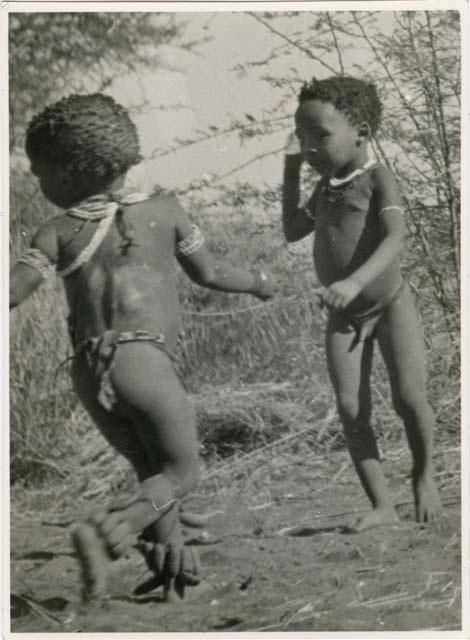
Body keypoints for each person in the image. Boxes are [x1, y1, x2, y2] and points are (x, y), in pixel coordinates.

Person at [10, 93, 277, 603]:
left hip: (89, 371)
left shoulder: (56, 231)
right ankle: (108, 533)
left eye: (40, 173)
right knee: (181, 473)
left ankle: (174, 567)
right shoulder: (166, 211)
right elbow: (212, 272)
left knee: (152, 475)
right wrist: (260, 282)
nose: (40, 185)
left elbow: (15, 289)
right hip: (144, 360)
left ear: (67, 175)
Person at [282, 76, 442, 532]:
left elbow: (396, 239)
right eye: (302, 136)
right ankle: (382, 505)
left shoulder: (377, 181)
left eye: (320, 136)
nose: (310, 146)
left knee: (410, 400)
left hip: (390, 304)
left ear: (363, 133)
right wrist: (291, 169)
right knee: (351, 409)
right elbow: (293, 230)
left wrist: (353, 281)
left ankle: (424, 473)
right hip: (344, 316)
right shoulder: (324, 188)